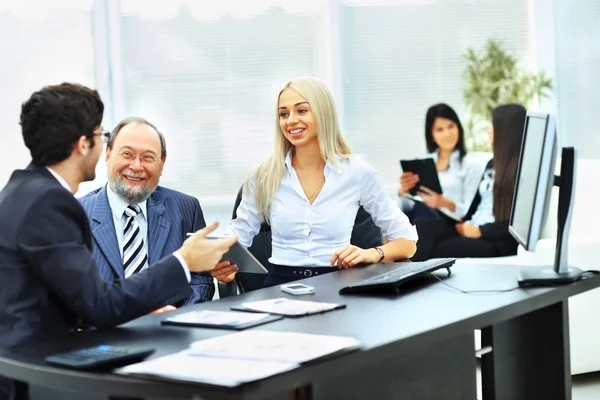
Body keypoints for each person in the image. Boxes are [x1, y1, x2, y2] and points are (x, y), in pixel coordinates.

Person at [0, 83, 237, 399]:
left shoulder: (21, 190)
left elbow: (73, 298)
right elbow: (99, 305)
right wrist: (185, 260)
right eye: (101, 135)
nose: (101, 144)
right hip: (38, 376)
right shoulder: (52, 204)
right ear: (85, 143)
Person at [229, 76, 418, 287]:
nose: (291, 120)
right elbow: (235, 241)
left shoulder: (357, 172)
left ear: (323, 113)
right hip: (280, 289)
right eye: (284, 113)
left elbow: (407, 242)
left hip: (339, 284)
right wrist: (222, 265)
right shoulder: (263, 175)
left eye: (302, 110)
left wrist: (374, 254)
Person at [79, 117, 238, 307]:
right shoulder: (77, 215)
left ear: (161, 163)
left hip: (172, 330)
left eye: (148, 157)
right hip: (105, 332)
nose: (137, 166)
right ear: (107, 154)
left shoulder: (186, 208)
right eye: (127, 154)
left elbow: (200, 281)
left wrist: (175, 317)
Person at [411, 104, 526, 261]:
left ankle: (408, 281)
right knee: (421, 225)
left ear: (506, 131)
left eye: (493, 126)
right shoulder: (493, 164)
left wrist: (481, 231)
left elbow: (521, 228)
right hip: (472, 227)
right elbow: (474, 208)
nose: (489, 131)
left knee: (436, 247)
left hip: (492, 240)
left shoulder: (523, 171)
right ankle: (401, 277)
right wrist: (464, 224)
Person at [398, 103, 485, 222]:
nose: (447, 134)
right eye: (440, 129)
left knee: (420, 219)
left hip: (449, 223)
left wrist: (444, 203)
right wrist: (403, 191)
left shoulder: (471, 164)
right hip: (422, 216)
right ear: (432, 135)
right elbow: (408, 204)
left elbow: (470, 212)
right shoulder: (425, 163)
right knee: (402, 216)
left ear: (458, 128)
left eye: (451, 126)